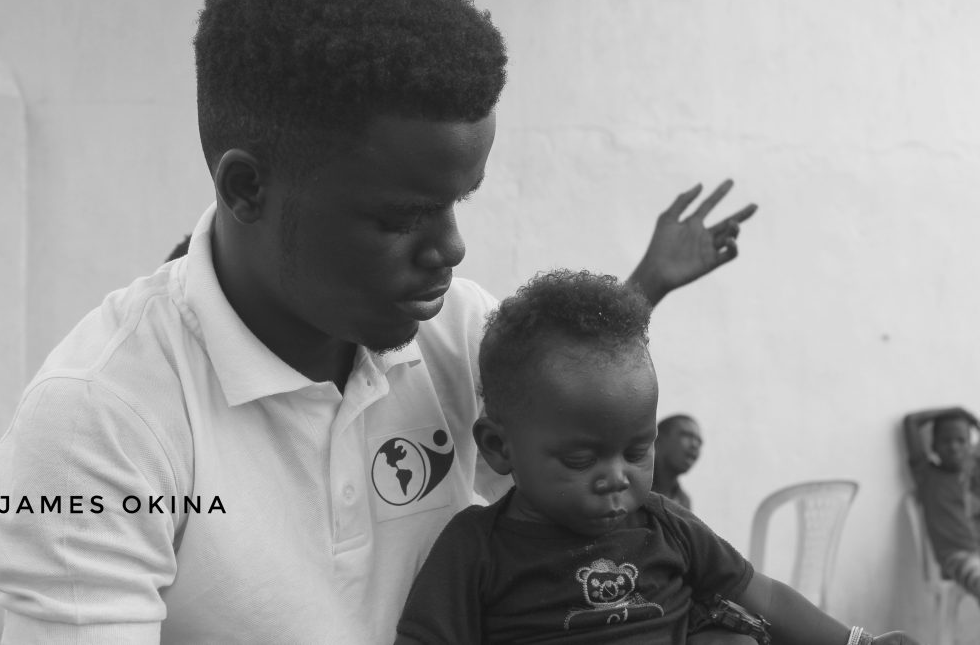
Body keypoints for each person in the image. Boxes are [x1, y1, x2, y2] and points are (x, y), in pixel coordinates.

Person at [0, 0, 757, 642]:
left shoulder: (456, 333)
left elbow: (571, 419)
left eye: (460, 202)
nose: (451, 247)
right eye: (401, 216)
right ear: (247, 186)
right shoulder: (100, 424)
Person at [395, 270, 919, 645]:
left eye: (637, 450)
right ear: (498, 448)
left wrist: (859, 642)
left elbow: (769, 599)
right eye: (581, 460)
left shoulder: (666, 526)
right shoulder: (476, 549)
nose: (615, 478)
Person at [903, 406, 980, 602]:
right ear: (934, 446)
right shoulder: (927, 475)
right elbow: (911, 421)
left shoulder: (973, 474)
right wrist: (959, 411)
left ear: (970, 445)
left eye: (961, 440)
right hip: (957, 558)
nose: (953, 446)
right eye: (946, 440)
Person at [653, 413, 703, 509]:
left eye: (699, 442)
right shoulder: (629, 483)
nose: (695, 445)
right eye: (686, 435)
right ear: (658, 441)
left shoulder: (683, 501)